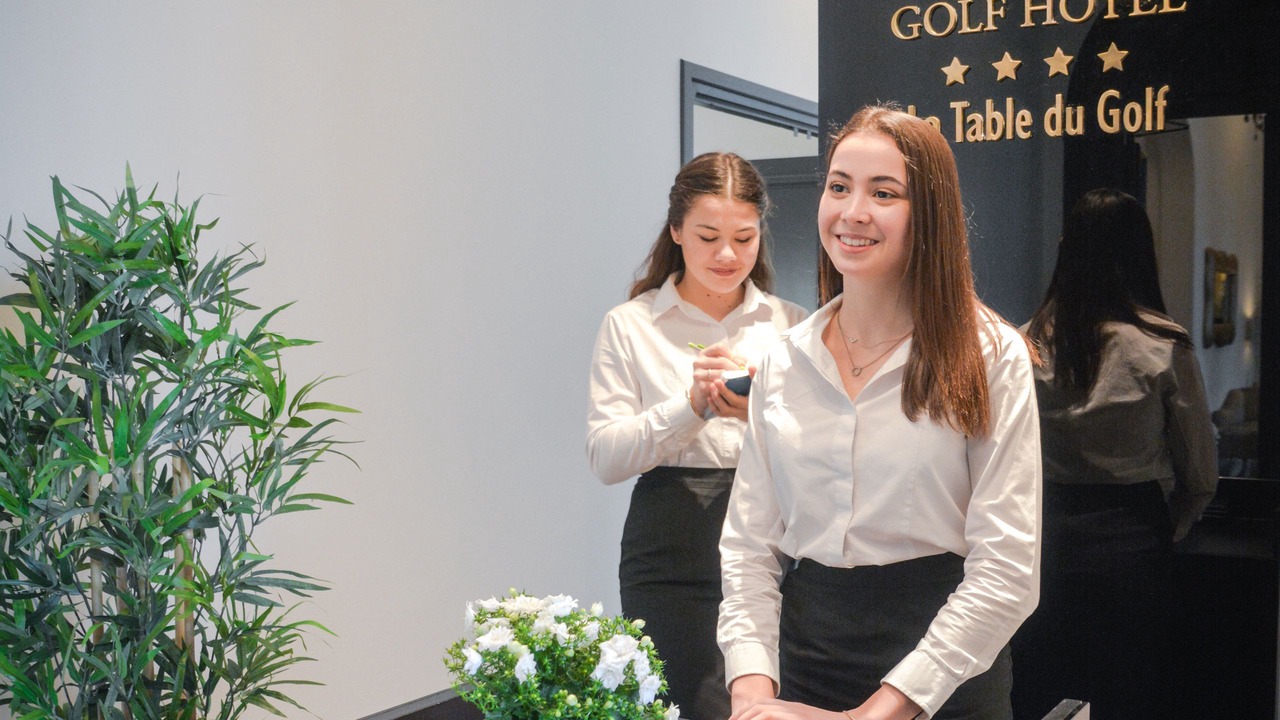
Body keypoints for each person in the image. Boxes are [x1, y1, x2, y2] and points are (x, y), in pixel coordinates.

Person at [717, 105, 1041, 720]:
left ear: (930, 215)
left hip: (944, 672)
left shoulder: (990, 354)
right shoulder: (785, 358)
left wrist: (877, 714)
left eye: (883, 192)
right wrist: (753, 691)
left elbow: (1007, 569)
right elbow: (750, 547)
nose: (853, 211)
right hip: (804, 661)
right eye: (839, 187)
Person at [586, 152, 807, 720]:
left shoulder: (792, 325)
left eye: (744, 237)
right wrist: (691, 406)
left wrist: (750, 416)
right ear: (677, 231)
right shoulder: (630, 324)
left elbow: (818, 452)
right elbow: (607, 458)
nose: (727, 255)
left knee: (770, 705)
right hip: (669, 543)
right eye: (708, 236)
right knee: (689, 703)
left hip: (772, 534)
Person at [1011, 188, 1217, 720]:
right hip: (1131, 534)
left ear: (1066, 251)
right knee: (1127, 688)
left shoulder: (1024, 343)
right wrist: (1171, 523)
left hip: (1043, 534)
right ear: (1138, 254)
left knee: (1040, 684)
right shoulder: (1163, 345)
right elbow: (1199, 471)